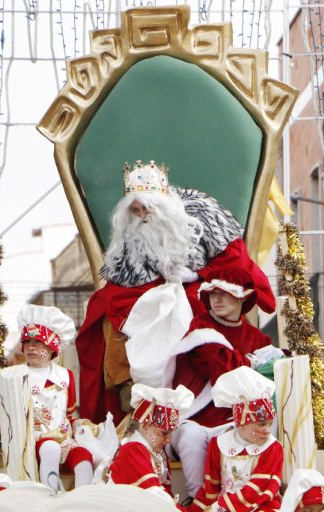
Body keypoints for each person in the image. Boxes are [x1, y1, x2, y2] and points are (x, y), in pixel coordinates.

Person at [77, 160, 276, 422]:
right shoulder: (129, 240)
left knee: (194, 314)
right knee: (107, 313)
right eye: (135, 211)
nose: (142, 216)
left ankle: (199, 395)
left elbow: (236, 263)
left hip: (204, 291)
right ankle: (137, 394)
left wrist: (199, 275)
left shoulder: (202, 212)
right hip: (153, 299)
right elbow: (121, 290)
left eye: (146, 209)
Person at [170, 267, 278, 499]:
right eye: (211, 293)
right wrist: (254, 362)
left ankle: (246, 499)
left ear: (242, 296)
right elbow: (224, 370)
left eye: (224, 293)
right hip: (193, 419)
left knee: (260, 433)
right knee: (192, 437)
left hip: (232, 422)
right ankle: (197, 501)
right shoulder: (200, 328)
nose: (216, 299)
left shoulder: (257, 338)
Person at [0, 305, 93, 489]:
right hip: (31, 442)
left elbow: (69, 414)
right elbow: (2, 419)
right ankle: (50, 498)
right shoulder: (14, 377)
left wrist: (81, 426)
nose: (31, 347)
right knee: (50, 449)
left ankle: (82, 502)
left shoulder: (65, 376)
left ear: (51, 348)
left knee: (84, 459)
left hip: (63, 439)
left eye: (38, 342)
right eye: (27, 341)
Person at [189, 366, 284, 512]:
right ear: (241, 422)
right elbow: (210, 488)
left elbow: (258, 489)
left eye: (270, 424)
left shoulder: (273, 448)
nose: (267, 431)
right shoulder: (218, 445)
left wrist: (220, 506)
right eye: (261, 424)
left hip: (261, 506)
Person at [108, 383, 194, 509]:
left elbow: (164, 493)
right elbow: (154, 495)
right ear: (144, 426)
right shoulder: (133, 449)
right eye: (164, 433)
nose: (169, 440)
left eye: (170, 434)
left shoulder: (158, 454)